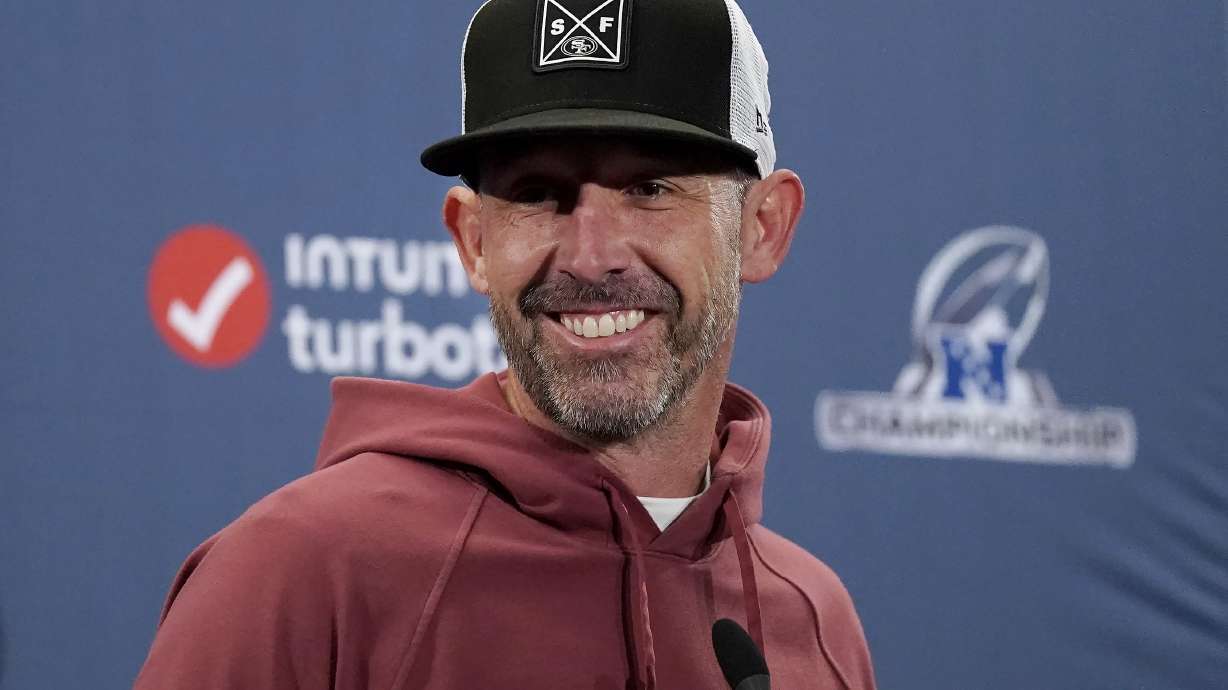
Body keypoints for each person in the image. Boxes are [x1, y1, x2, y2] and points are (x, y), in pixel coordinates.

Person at [134, 0, 877, 688]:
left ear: (763, 226)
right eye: (536, 194)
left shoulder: (813, 618)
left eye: (650, 188)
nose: (592, 256)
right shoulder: (297, 574)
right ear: (474, 240)